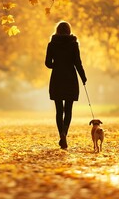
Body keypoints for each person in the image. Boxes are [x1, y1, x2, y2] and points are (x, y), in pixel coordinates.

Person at [45, 21, 87, 149]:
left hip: (57, 78)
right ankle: (64, 133)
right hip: (70, 78)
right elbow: (77, 63)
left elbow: (47, 63)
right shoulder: (73, 44)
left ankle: (61, 134)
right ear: (69, 30)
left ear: (57, 30)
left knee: (59, 110)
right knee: (68, 109)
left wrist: (57, 65)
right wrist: (83, 77)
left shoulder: (52, 44)